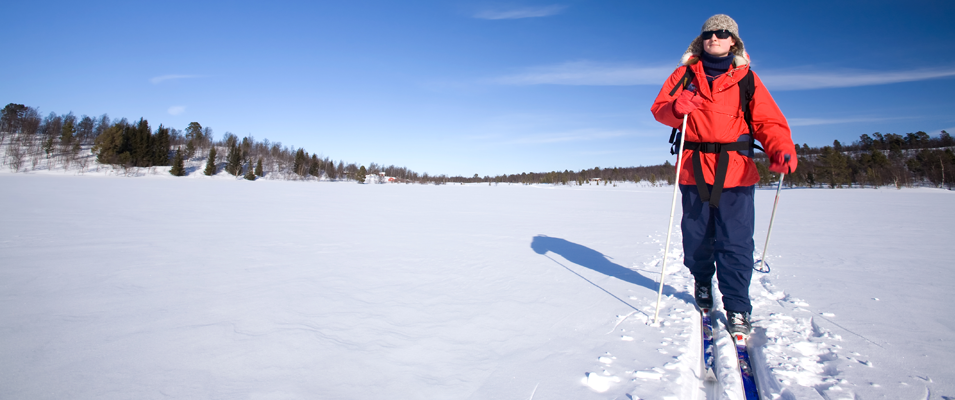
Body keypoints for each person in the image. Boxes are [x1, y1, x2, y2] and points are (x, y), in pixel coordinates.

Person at [650, 14, 798, 335]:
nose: (714, 37)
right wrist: (677, 108)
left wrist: (781, 148)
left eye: (721, 33)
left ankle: (738, 306)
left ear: (733, 41)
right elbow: (660, 109)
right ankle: (702, 281)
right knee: (696, 237)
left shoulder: (748, 79)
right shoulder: (684, 74)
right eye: (708, 33)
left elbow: (768, 121)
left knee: (736, 241)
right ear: (701, 40)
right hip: (694, 169)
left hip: (736, 171)